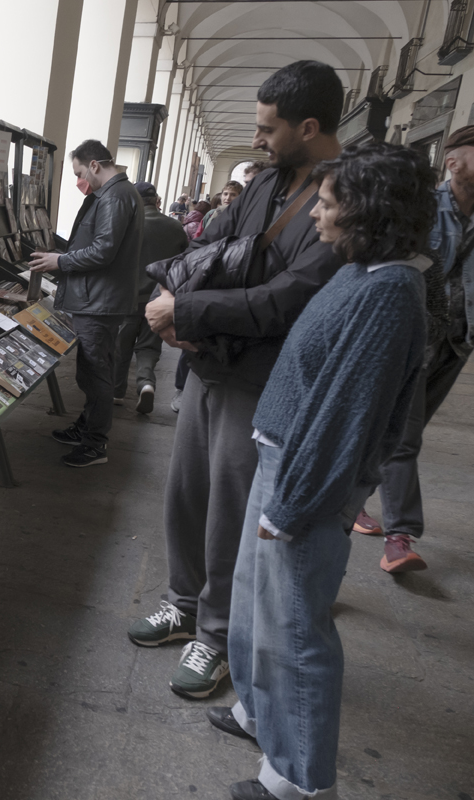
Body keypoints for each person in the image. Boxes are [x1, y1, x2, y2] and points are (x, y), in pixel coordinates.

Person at [214, 141, 433, 800]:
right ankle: (262, 715)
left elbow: (345, 415)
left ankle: (299, 781)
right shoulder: (363, 270)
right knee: (254, 604)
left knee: (294, 630)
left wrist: (291, 505)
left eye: (329, 204)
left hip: (304, 477)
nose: (315, 214)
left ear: (368, 211)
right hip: (284, 460)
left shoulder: (389, 292)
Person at [130, 60, 345, 699]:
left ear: (309, 127)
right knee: (186, 491)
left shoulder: (343, 196)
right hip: (210, 359)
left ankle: (218, 634)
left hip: (263, 377)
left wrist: (189, 310)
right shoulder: (267, 181)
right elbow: (209, 242)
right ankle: (183, 602)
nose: (257, 139)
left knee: (231, 507)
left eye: (268, 129)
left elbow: (292, 296)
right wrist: (170, 295)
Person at [350, 124, 474, 573]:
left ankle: (354, 500)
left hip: (457, 342)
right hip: (412, 339)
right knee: (405, 436)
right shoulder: (421, 207)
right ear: (454, 161)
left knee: (395, 433)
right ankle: (400, 537)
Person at [29, 139, 144, 467]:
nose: (80, 180)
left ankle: (95, 444)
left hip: (99, 300)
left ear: (94, 165)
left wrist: (60, 261)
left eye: (80, 173)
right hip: (98, 298)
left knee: (96, 372)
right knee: (92, 369)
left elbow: (104, 250)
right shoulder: (112, 194)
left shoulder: (115, 196)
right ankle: (87, 427)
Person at [114, 181, 188, 413]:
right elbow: (184, 263)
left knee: (121, 347)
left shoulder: (126, 225)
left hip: (127, 299)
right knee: (148, 348)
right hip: (159, 300)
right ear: (157, 201)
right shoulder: (175, 227)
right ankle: (146, 384)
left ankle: (117, 392)